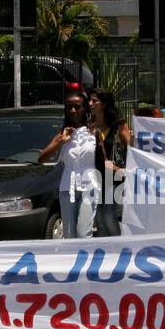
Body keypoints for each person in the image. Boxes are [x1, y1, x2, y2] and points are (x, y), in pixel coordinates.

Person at [38, 89, 97, 238]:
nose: (73, 110)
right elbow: (42, 158)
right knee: (69, 234)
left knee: (84, 233)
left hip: (89, 185)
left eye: (77, 106)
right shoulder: (63, 134)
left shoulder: (94, 132)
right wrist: (60, 142)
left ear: (85, 109)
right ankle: (72, 260)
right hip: (67, 186)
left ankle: (86, 260)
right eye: (69, 106)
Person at [87, 88, 132, 237]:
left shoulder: (119, 125)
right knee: (99, 217)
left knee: (108, 214)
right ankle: (105, 251)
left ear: (104, 104)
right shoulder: (90, 126)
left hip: (115, 176)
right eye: (90, 100)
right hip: (97, 176)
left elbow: (132, 149)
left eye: (95, 101)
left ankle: (118, 247)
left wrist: (123, 169)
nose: (90, 104)